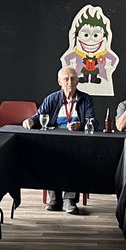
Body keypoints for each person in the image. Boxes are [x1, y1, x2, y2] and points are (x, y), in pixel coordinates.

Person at [24, 67, 96, 214]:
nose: (70, 82)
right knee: (50, 157)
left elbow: (94, 122)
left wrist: (80, 125)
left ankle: (69, 199)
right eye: (66, 79)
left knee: (76, 159)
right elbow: (39, 117)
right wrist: (30, 121)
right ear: (59, 82)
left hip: (77, 143)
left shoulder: (86, 99)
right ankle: (55, 199)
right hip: (55, 141)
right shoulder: (52, 98)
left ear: (78, 81)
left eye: (73, 78)